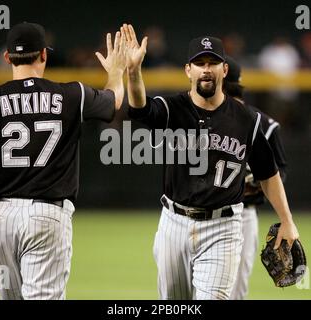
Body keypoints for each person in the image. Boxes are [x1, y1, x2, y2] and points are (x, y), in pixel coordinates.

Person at [123, 23, 299, 300]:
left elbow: (269, 172)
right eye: (200, 62)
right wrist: (133, 72)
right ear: (188, 70)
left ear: (224, 70)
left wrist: (287, 221)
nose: (206, 68)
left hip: (224, 227)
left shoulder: (246, 120)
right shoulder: (173, 109)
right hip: (174, 222)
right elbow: (140, 109)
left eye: (213, 62)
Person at [0, 22, 127, 300]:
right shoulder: (72, 94)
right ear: (44, 55)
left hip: (0, 217)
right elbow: (115, 101)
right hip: (47, 214)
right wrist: (116, 72)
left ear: (7, 58)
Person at [223, 56, 287, 300]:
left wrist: (254, 180)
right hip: (205, 210)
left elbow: (280, 170)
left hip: (243, 213)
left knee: (236, 290)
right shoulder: (202, 121)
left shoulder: (264, 125)